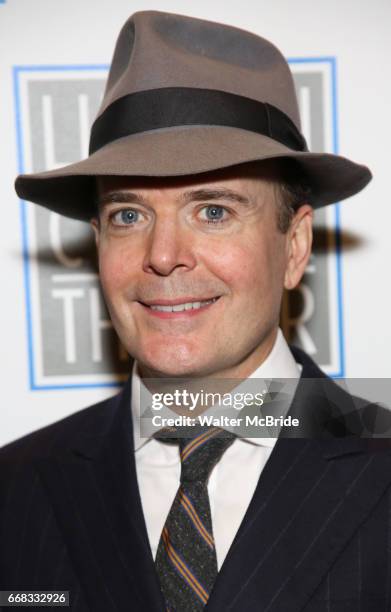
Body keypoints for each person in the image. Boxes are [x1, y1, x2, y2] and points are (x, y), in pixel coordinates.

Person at [1, 10, 391, 612]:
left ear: (295, 246)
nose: (161, 257)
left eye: (212, 210)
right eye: (128, 215)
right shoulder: (15, 488)